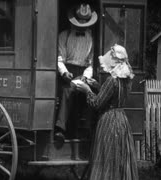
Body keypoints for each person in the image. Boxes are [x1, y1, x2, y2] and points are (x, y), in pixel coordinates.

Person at [75, 44, 138, 180]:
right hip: (121, 119)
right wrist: (98, 86)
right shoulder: (127, 80)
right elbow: (114, 96)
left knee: (107, 156)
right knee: (119, 156)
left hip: (109, 121)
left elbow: (97, 103)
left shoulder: (111, 80)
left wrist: (87, 90)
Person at [55, 3, 99, 141]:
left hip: (83, 72)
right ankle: (60, 129)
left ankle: (86, 130)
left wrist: (86, 77)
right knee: (67, 91)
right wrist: (64, 73)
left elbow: (91, 63)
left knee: (91, 93)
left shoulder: (91, 38)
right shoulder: (64, 35)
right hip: (67, 72)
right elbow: (59, 59)